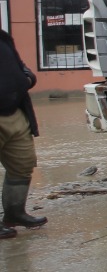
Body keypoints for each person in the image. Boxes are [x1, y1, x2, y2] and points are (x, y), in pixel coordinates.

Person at [0, 27, 47, 238]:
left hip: (16, 113)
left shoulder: (3, 38)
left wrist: (27, 78)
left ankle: (15, 213)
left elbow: (19, 68)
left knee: (23, 165)